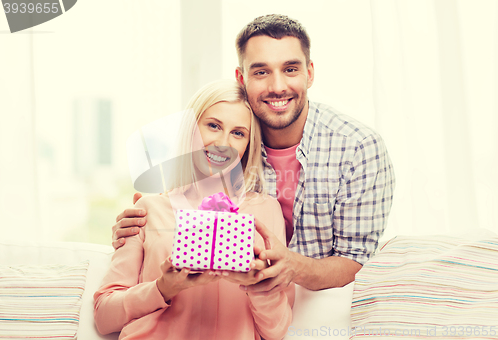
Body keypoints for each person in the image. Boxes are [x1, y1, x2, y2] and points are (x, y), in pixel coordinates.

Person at [112, 14, 395, 294]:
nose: (277, 87)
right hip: (243, 310)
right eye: (261, 72)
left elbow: (357, 260)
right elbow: (187, 204)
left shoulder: (359, 148)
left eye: (290, 69)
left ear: (309, 73)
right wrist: (137, 230)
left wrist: (292, 267)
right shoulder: (231, 138)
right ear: (241, 77)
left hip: (318, 307)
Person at [94, 79, 294, 340]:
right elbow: (103, 317)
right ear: (191, 129)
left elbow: (276, 332)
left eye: (238, 133)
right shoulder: (148, 210)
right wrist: (162, 288)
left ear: (248, 144)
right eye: (213, 126)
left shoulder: (265, 211)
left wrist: (257, 285)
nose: (223, 142)